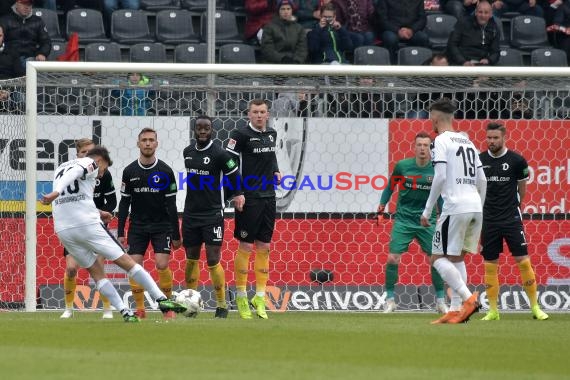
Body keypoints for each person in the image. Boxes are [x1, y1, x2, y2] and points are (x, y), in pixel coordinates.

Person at [40, 146, 187, 323]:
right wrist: (56, 193)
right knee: (127, 262)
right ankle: (162, 299)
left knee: (96, 272)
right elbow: (76, 174)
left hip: (64, 230)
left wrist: (99, 212)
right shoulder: (89, 162)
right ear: (99, 161)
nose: (101, 174)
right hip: (86, 225)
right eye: (104, 169)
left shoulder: (61, 167)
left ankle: (125, 312)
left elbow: (72, 198)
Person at [420, 98, 487, 324]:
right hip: (475, 206)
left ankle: (469, 299)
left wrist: (427, 210)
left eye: (430, 117)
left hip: (455, 206)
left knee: (437, 258)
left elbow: (440, 176)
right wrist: (479, 205)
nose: (430, 120)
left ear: (436, 118)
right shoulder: (468, 142)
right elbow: (483, 179)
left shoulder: (441, 140)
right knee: (456, 257)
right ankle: (456, 310)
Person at [479, 123, 549, 321]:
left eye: (495, 138)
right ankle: (493, 311)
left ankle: (535, 307)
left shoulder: (517, 160)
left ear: (504, 138)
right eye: (489, 138)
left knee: (523, 261)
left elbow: (522, 189)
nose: (491, 141)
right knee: (490, 264)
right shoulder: (479, 160)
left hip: (511, 218)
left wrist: (515, 208)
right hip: (489, 220)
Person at [379, 132, 448, 314]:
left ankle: (440, 301)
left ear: (431, 148)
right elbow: (389, 187)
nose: (423, 148)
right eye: (419, 145)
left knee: (437, 260)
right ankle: (390, 300)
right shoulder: (403, 166)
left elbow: (440, 196)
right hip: (404, 219)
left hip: (428, 221)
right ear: (414, 147)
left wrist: (444, 215)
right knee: (392, 258)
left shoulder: (437, 169)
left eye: (426, 145)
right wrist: (381, 207)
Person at [225, 99, 281, 319]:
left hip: (269, 197)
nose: (259, 115)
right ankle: (240, 295)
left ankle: (259, 296)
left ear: (267, 115)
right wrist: (237, 192)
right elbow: (229, 163)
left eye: (263, 112)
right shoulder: (239, 136)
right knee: (246, 245)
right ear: (248, 114)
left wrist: (276, 170)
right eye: (255, 112)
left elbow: (271, 155)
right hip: (249, 198)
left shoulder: (272, 134)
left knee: (264, 245)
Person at [117, 128, 181, 320]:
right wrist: (121, 231)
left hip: (162, 226)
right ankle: (140, 309)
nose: (147, 143)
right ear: (138, 144)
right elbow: (124, 202)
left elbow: (171, 205)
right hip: (137, 226)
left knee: (162, 264)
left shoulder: (165, 171)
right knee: (134, 266)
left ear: (156, 144)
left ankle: (167, 307)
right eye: (144, 140)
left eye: (151, 140)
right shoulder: (129, 171)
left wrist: (176, 235)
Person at [182, 115, 241, 319]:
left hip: (213, 213)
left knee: (213, 259)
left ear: (212, 130)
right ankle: (190, 303)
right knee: (191, 259)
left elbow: (235, 176)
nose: (203, 131)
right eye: (199, 128)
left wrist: (236, 195)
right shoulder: (187, 152)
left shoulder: (220, 153)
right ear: (195, 130)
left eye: (207, 128)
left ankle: (222, 305)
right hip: (190, 214)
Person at [60, 138, 117, 319]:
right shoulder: (70, 173)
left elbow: (112, 201)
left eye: (90, 153)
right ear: (77, 155)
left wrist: (100, 214)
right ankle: (68, 309)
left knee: (99, 267)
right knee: (71, 268)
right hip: (74, 226)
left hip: (95, 226)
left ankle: (107, 309)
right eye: (84, 153)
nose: (87, 157)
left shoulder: (103, 174)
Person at [0, 0, 51, 71]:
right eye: (23, 4)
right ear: (16, 4)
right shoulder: (5, 20)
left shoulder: (38, 21)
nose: (26, 7)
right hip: (10, 59)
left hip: (30, 58)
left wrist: (42, 53)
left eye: (29, 4)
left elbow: (46, 42)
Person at [447, 0, 500, 66]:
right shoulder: (463, 23)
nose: (483, 15)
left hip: (481, 65)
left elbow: (496, 52)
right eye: (480, 12)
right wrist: (462, 61)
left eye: (486, 13)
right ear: (475, 13)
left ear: (491, 14)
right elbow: (452, 45)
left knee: (484, 76)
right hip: (461, 63)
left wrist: (488, 60)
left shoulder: (494, 28)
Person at [260, 0, 308, 64]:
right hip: (274, 64)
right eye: (282, 9)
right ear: (278, 11)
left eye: (288, 9)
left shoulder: (299, 28)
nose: (286, 11)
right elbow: (267, 49)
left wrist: (297, 61)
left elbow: (302, 49)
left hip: (295, 65)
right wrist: (282, 59)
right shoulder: (269, 27)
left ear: (292, 11)